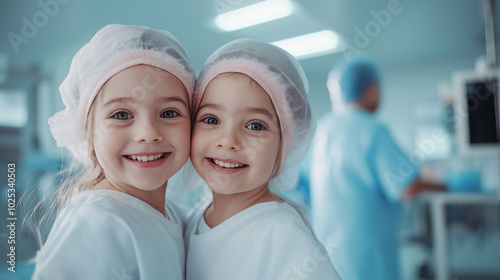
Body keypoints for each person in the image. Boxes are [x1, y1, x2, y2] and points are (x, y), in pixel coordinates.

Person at [32, 24, 195, 279]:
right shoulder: (97, 222)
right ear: (87, 131)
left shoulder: (173, 216)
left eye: (169, 113)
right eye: (121, 114)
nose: (148, 133)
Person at [184, 39, 342, 280]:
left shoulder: (283, 236)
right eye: (211, 119)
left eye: (255, 126)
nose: (228, 140)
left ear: (286, 144)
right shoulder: (196, 218)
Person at [309, 56, 447, 280]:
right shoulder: (371, 129)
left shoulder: (322, 130)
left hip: (327, 252)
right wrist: (443, 186)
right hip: (365, 255)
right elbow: (408, 187)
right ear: (371, 90)